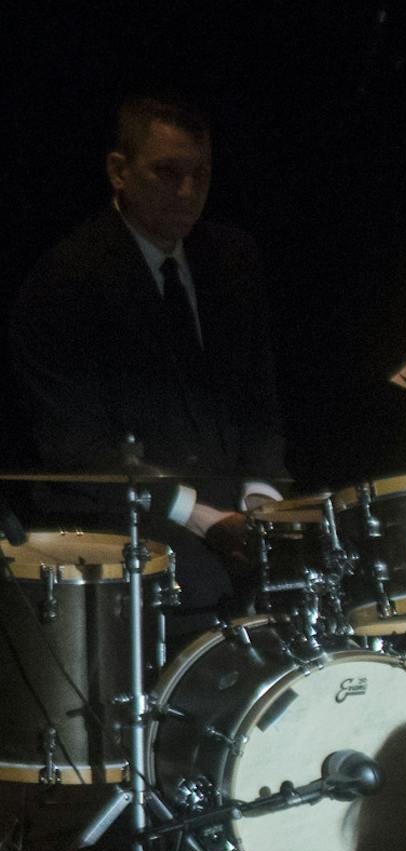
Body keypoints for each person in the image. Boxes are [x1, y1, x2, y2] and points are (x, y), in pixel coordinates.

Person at [9, 96, 288, 614]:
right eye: (167, 172)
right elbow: (77, 449)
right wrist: (201, 515)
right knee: (203, 586)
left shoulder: (234, 258)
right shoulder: (63, 282)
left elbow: (258, 402)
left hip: (232, 508)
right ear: (119, 171)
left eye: (200, 175)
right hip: (127, 519)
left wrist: (261, 498)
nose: (187, 191)